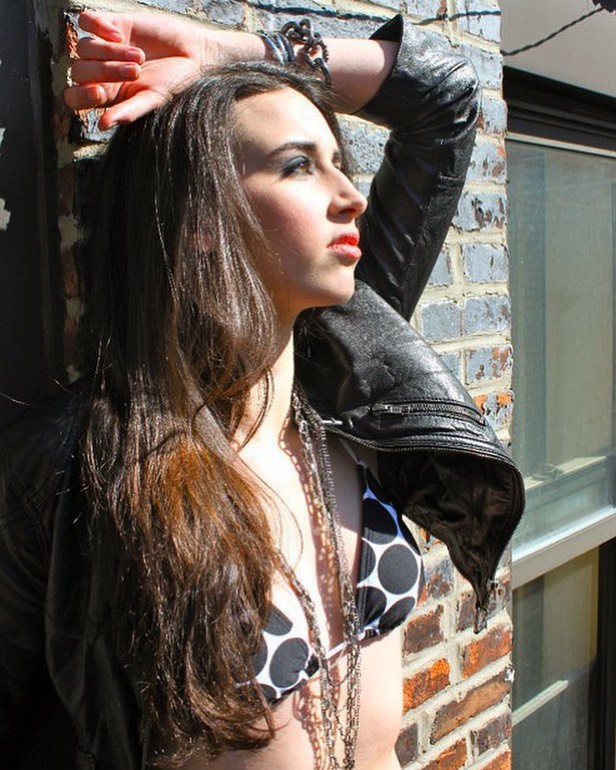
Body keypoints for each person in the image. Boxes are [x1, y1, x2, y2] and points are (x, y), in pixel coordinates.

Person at [0, 7, 524, 770]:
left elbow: (443, 94)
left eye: (339, 162)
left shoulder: (346, 374)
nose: (352, 197)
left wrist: (233, 52)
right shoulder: (66, 472)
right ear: (203, 219)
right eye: (298, 165)